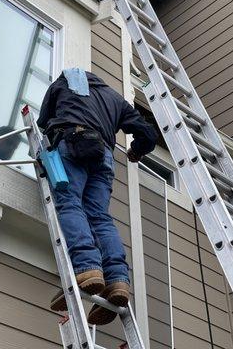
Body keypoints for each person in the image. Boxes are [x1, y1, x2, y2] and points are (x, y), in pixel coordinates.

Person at [37, 68, 158, 325]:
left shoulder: (62, 84)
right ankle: (117, 281)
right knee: (100, 217)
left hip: (72, 142)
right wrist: (136, 151)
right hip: (103, 154)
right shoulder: (115, 99)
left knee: (70, 203)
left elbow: (43, 122)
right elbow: (148, 134)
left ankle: (87, 268)